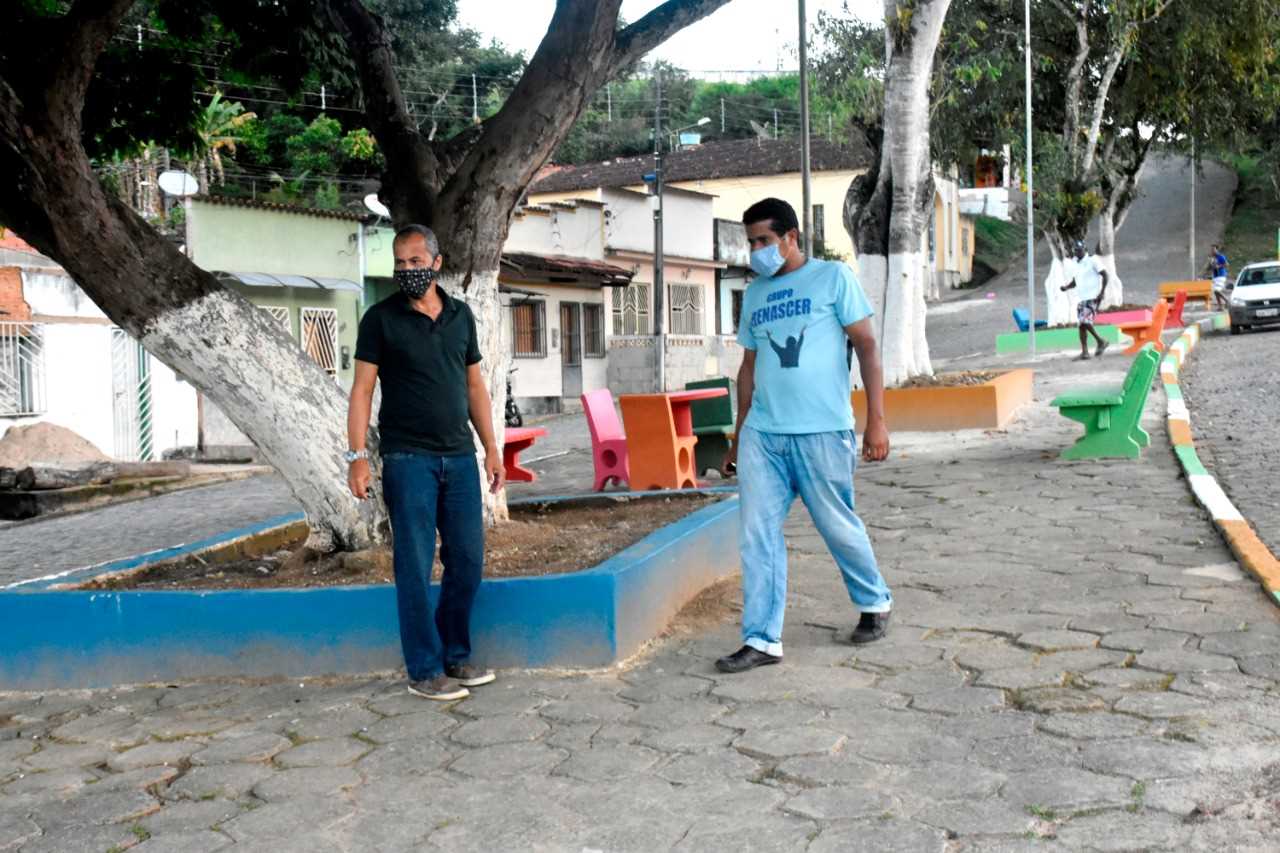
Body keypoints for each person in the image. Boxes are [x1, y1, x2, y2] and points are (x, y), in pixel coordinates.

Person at [715, 197, 894, 675]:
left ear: (791, 238)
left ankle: (874, 600)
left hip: (822, 431)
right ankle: (761, 638)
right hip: (764, 436)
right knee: (756, 534)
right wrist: (738, 435)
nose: (756, 251)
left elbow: (868, 346)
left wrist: (876, 419)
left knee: (837, 524)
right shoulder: (754, 295)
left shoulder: (833, 278)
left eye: (764, 241)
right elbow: (749, 368)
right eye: (751, 242)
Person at [347, 224, 505, 701]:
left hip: (459, 457)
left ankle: (455, 654)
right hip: (407, 459)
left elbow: (475, 387)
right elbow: (361, 390)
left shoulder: (461, 317)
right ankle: (423, 669)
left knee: (468, 561)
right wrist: (357, 456)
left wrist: (492, 448)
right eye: (400, 263)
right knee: (413, 566)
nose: (408, 271)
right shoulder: (380, 319)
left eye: (416, 262)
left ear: (437, 263)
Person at [1059, 240, 1110, 360]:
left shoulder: (1093, 260)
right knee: (1082, 325)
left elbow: (1105, 275)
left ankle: (1101, 341)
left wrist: (1102, 292)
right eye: (1076, 250)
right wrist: (1066, 287)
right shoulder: (1075, 263)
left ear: (1085, 250)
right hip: (1082, 298)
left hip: (1093, 296)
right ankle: (1085, 352)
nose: (1077, 252)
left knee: (1085, 321)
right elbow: (1075, 281)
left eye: (1080, 250)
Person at [1208, 244, 1230, 309]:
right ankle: (1220, 306)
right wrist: (1211, 264)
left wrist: (1219, 266)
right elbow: (1211, 267)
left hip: (1221, 275)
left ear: (1217, 250)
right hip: (1215, 276)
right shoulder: (1212, 258)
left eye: (1214, 249)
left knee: (1217, 291)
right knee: (1215, 291)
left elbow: (1227, 264)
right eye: (1211, 249)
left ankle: (1227, 301)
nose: (1212, 251)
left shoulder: (1221, 256)